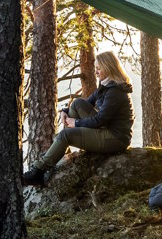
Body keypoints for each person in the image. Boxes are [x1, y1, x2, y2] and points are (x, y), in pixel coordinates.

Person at [22, 51, 135, 185]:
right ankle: (59, 151)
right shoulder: (106, 86)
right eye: (95, 68)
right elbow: (86, 103)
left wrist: (75, 123)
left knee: (65, 135)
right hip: (107, 129)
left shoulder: (115, 91)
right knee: (77, 103)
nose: (96, 72)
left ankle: (39, 172)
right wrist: (65, 111)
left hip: (115, 138)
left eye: (99, 69)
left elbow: (100, 120)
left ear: (108, 68)